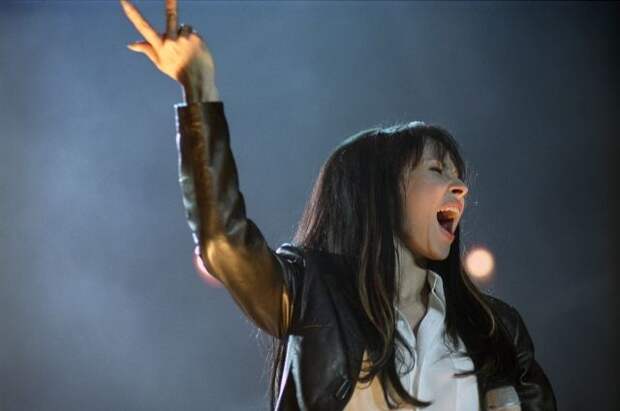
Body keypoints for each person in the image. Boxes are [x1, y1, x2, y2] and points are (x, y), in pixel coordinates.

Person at [121, 1, 557, 410]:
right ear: (381, 192)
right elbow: (222, 241)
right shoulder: (314, 294)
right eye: (436, 170)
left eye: (458, 175)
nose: (460, 187)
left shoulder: (494, 329)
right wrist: (198, 85)